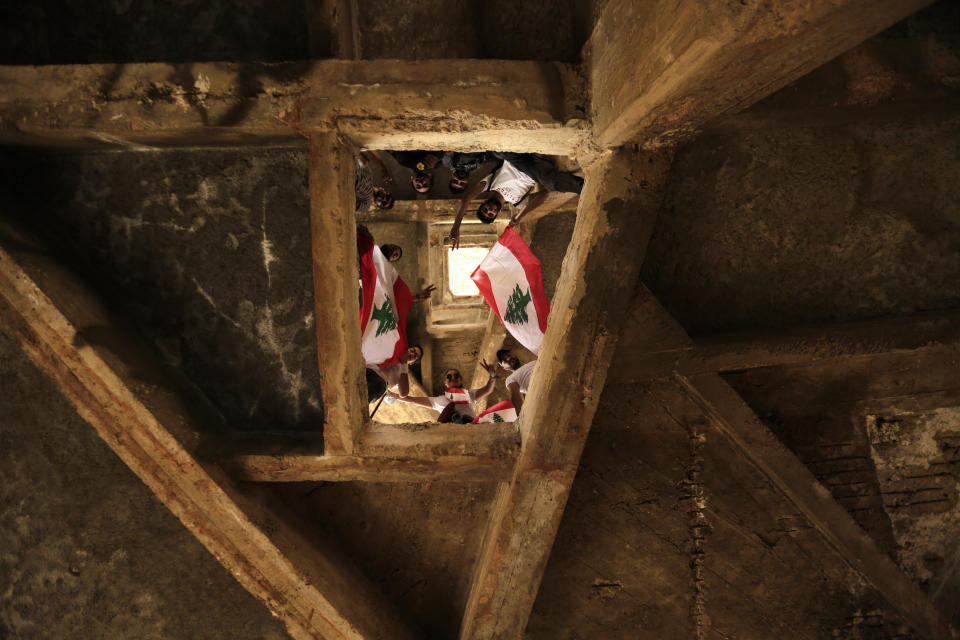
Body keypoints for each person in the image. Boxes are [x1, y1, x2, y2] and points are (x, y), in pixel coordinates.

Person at [449, 153, 584, 248]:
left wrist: (456, 226)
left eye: (485, 210)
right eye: (490, 214)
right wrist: (520, 216)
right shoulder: (519, 203)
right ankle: (583, 187)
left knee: (499, 153)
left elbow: (466, 198)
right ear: (498, 212)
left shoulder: (489, 184)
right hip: (535, 171)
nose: (489, 210)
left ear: (483, 203)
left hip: (516, 161)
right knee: (552, 183)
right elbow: (543, 195)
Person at [388, 362, 497, 423]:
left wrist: (492, 377)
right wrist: (394, 395)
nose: (453, 378)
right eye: (449, 377)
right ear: (445, 383)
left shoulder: (469, 394)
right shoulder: (440, 400)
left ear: (461, 380)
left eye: (456, 376)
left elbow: (488, 389)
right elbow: (412, 400)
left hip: (469, 424)